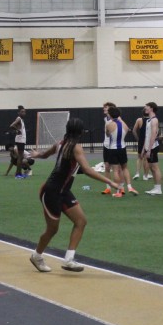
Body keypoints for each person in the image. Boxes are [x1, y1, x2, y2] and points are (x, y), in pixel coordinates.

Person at [28, 117, 123, 273]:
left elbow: (45, 154)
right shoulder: (75, 147)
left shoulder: (60, 143)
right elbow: (87, 170)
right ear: (80, 132)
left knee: (81, 221)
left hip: (63, 191)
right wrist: (110, 182)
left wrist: (37, 154)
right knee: (52, 229)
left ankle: (69, 260)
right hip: (51, 192)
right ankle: (36, 256)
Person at [103, 105, 137, 197]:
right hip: (122, 148)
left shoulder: (109, 124)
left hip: (113, 149)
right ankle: (129, 187)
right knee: (125, 168)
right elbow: (126, 130)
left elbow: (107, 134)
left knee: (115, 171)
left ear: (110, 114)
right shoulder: (124, 125)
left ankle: (118, 191)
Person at [141, 102, 163, 195]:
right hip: (148, 147)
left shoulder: (154, 120)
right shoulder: (148, 120)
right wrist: (144, 149)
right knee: (151, 167)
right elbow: (147, 136)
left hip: (153, 147)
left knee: (155, 167)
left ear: (152, 108)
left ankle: (158, 188)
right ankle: (156, 187)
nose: (145, 108)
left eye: (147, 107)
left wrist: (149, 149)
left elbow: (153, 135)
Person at [10, 105, 28, 178]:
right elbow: (12, 125)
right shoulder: (19, 118)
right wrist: (17, 130)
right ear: (19, 113)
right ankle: (18, 174)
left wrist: (18, 130)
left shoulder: (21, 119)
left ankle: (19, 173)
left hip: (21, 140)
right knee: (20, 157)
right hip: (20, 140)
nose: (24, 113)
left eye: (24, 112)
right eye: (22, 112)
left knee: (21, 157)